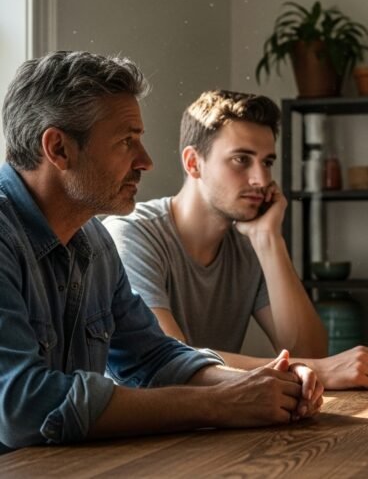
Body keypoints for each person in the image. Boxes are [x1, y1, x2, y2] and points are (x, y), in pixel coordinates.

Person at [0, 51, 323, 453]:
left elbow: (153, 358)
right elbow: (23, 407)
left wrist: (267, 385)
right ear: (59, 149)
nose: (146, 161)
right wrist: (220, 404)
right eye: (126, 141)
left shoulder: (93, 242)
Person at [103, 89, 368, 389]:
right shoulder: (132, 234)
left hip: (219, 421)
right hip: (142, 429)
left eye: (267, 162)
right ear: (193, 163)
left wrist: (268, 239)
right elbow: (167, 362)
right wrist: (305, 369)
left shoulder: (248, 242)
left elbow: (311, 353)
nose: (262, 180)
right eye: (241, 159)